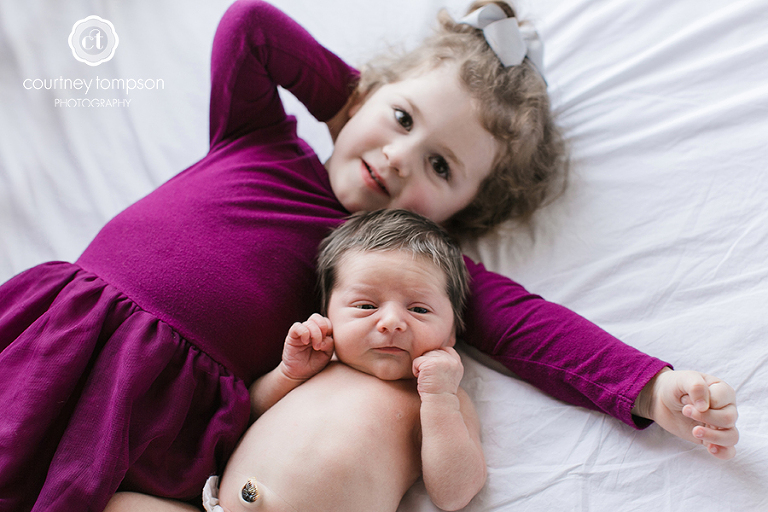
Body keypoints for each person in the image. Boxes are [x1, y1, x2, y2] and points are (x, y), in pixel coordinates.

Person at [0, 1, 737, 511]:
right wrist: (347, 100)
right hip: (64, 325)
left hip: (164, 405)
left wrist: (650, 387)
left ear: (462, 215)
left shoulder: (402, 264)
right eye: (402, 118)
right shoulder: (257, 137)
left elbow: (532, 329)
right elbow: (249, 29)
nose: (399, 156)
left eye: (441, 167)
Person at [204, 209, 485, 512]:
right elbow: (248, 412)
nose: (391, 322)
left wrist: (440, 399)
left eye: (419, 310)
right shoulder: (320, 361)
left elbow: (454, 494)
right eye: (366, 305)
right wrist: (288, 374)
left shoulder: (441, 397)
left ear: (451, 332)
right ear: (328, 312)